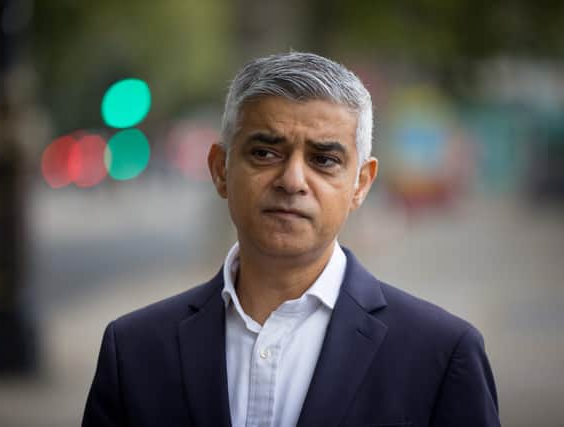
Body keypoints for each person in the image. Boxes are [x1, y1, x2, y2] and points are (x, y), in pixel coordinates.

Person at [82, 52, 500, 427]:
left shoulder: (442, 355)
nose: (293, 180)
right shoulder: (134, 351)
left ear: (361, 184)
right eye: (265, 153)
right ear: (220, 169)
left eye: (324, 160)